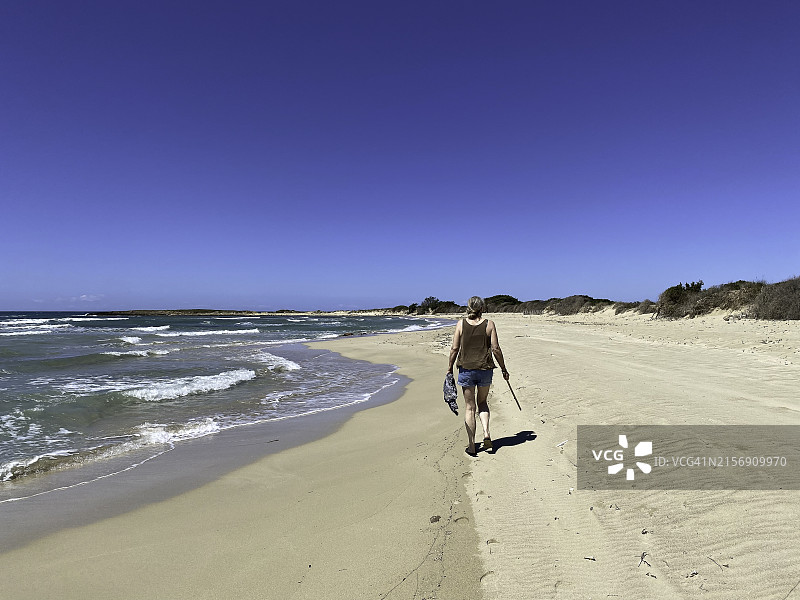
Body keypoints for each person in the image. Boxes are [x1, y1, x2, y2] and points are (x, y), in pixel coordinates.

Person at [447, 296, 509, 456]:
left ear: (468, 307)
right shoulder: (489, 324)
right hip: (485, 369)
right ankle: (486, 433)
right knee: (482, 403)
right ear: (482, 308)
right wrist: (503, 368)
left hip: (466, 369)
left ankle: (472, 446)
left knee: (469, 407)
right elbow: (495, 348)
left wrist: (449, 368)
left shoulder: (461, 324)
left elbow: (454, 348)